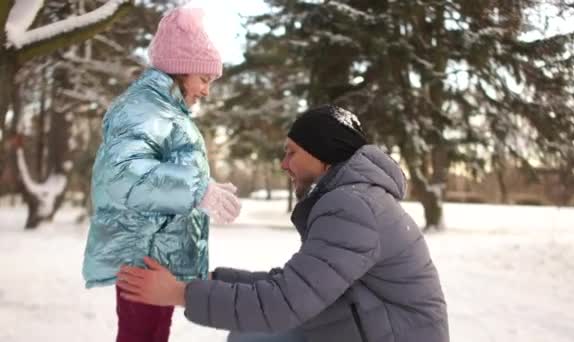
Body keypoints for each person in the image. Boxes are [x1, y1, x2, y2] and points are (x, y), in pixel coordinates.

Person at [117, 105, 449, 342]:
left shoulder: (353, 206)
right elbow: (297, 285)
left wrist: (180, 293)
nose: (283, 163)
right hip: (367, 325)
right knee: (251, 336)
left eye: (292, 153)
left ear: (323, 154)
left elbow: (283, 302)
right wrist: (207, 280)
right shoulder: (353, 198)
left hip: (391, 334)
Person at [81, 6, 241, 342]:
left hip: (159, 254)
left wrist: (205, 187)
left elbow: (160, 172)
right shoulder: (143, 108)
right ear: (182, 70)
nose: (206, 91)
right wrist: (198, 190)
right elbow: (126, 175)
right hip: (143, 255)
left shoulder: (164, 110)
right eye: (205, 79)